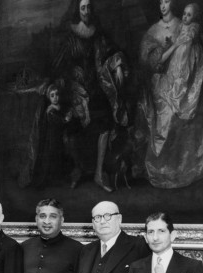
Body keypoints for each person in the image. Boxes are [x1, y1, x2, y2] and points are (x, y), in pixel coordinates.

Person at [138, 0, 203, 189]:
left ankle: (182, 167)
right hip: (168, 78)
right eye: (160, 2)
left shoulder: (188, 28)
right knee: (166, 111)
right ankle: (163, 166)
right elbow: (153, 61)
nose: (163, 5)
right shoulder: (153, 31)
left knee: (192, 106)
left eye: (167, 1)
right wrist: (171, 49)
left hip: (187, 79)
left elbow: (199, 55)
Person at [53, 0, 129, 192]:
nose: (86, 11)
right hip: (75, 90)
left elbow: (113, 50)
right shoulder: (70, 36)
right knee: (71, 130)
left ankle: (98, 172)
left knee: (105, 124)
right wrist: (71, 76)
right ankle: (78, 168)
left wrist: (118, 64)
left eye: (88, 7)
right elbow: (60, 64)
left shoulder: (98, 33)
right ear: (77, 11)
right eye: (82, 8)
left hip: (96, 87)